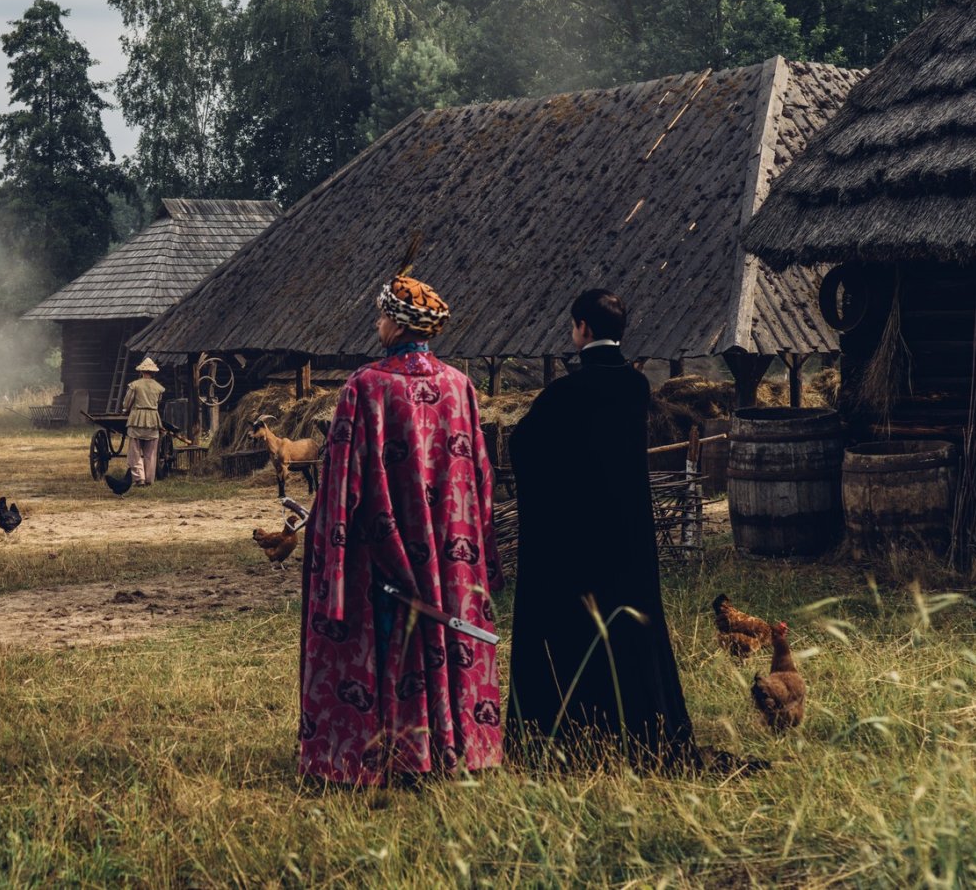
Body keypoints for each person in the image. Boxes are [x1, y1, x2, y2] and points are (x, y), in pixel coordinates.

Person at [298, 271, 503, 786]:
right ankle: (451, 746)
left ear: (398, 324)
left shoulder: (364, 387)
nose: (377, 323)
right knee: (441, 633)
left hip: (381, 551)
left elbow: (342, 480)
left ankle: (384, 754)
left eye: (382, 315)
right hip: (448, 551)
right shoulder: (460, 386)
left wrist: (332, 556)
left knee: (387, 641)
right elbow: (480, 475)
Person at [506, 289, 695, 768]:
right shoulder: (636, 388)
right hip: (627, 538)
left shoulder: (564, 394)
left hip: (576, 539)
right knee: (626, 627)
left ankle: (576, 728)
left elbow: (524, 448)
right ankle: (638, 728)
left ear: (583, 328)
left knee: (577, 630)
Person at [122, 357, 166, 487]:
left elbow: (127, 403)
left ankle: (139, 478)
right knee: (151, 453)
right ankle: (149, 479)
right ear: (153, 372)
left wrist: (126, 409)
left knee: (134, 452)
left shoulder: (134, 385)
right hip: (153, 420)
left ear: (141, 371)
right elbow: (158, 402)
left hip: (137, 419)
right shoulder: (159, 387)